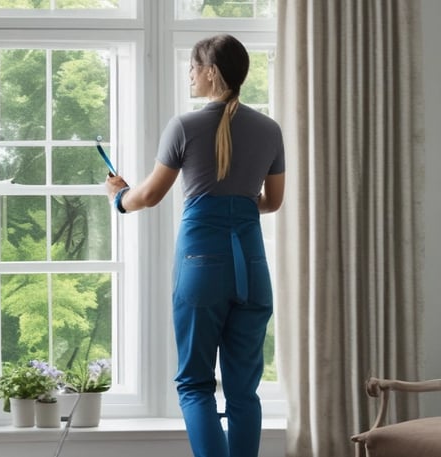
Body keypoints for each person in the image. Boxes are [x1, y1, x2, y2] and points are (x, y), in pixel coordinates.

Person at [105, 34, 285, 457]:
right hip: (252, 267)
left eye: (193, 66)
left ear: (210, 72)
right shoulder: (270, 130)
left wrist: (118, 196)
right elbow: (272, 202)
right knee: (244, 391)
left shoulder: (184, 126)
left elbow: (150, 195)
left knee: (195, 384)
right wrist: (239, 201)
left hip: (201, 266)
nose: (189, 73)